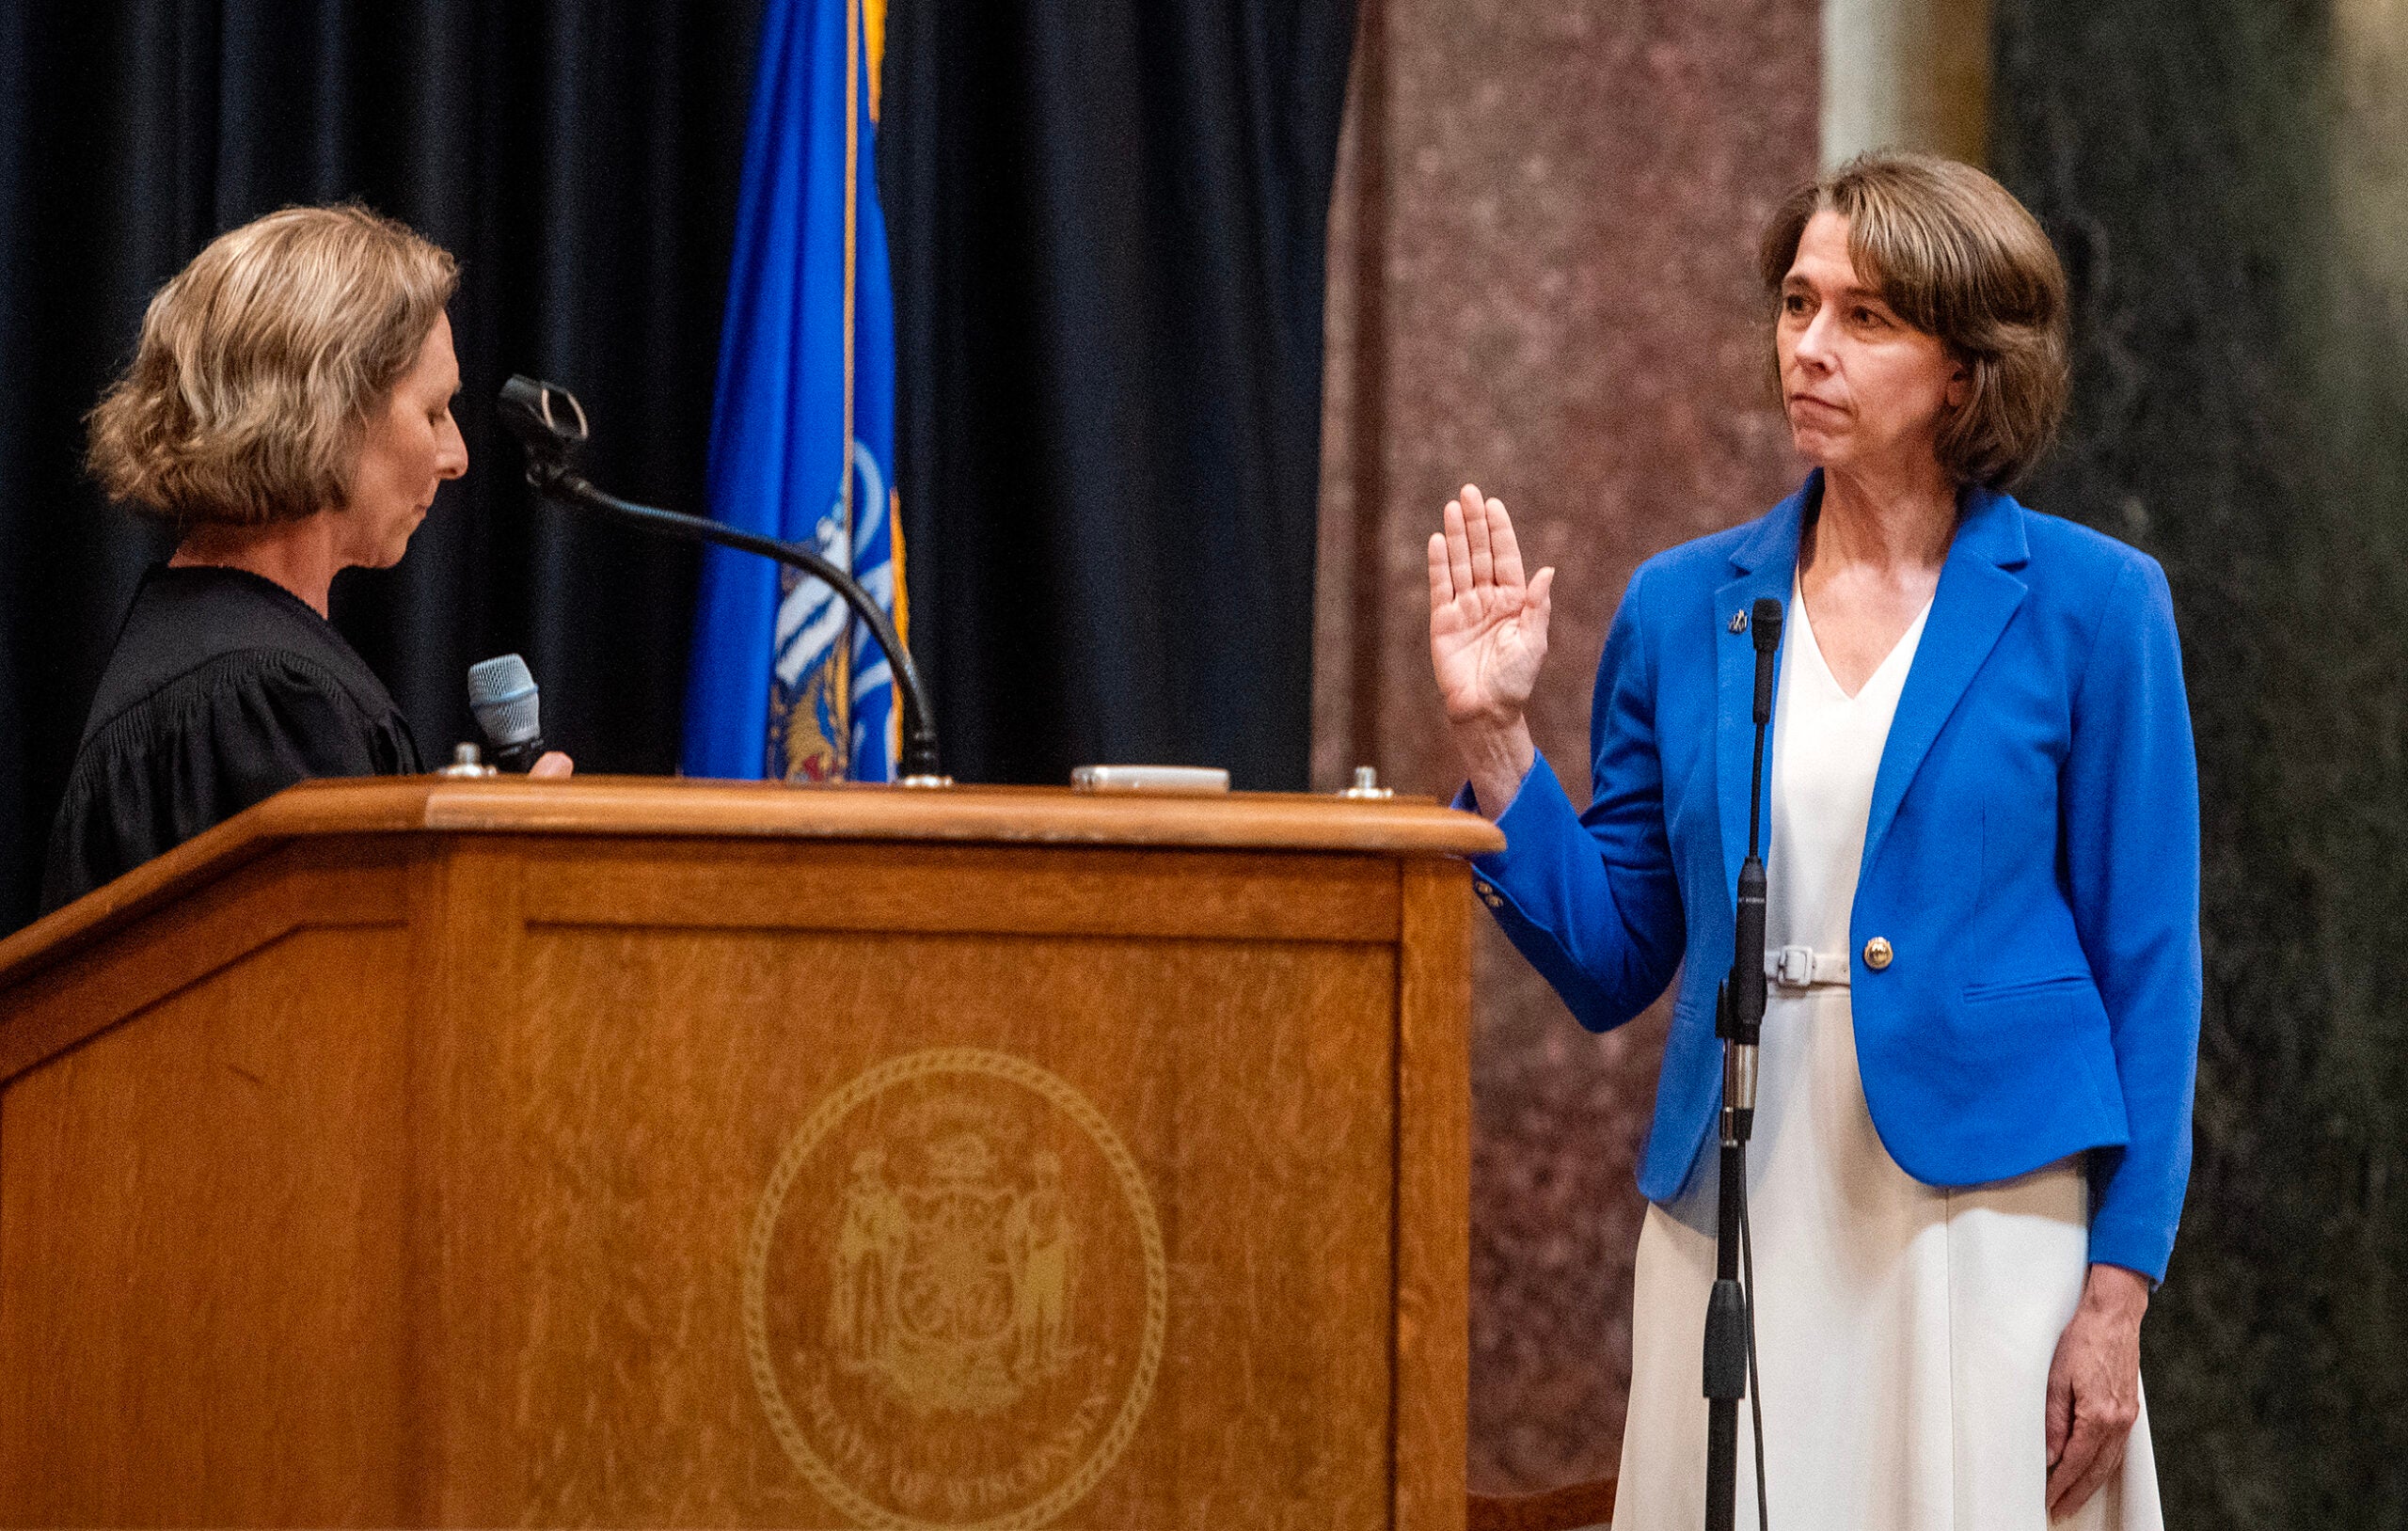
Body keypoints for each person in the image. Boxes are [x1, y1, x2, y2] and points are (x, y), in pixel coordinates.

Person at [1429, 152, 2197, 1529]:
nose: (1811, 348)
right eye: (1797, 304)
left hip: (1989, 1214)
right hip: (1740, 1193)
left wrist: (2117, 1296)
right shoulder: (1685, 607)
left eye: (1866, 318)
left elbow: (2151, 967)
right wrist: (1496, 740)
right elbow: (1615, 958)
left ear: (1966, 368)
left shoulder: (2094, 606)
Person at [41, 205, 568, 913]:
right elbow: (331, 1005)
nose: (457, 458)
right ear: (328, 412)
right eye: (434, 412)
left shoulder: (222, 659)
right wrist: (504, 878)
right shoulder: (259, 700)